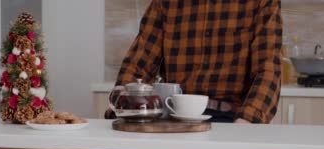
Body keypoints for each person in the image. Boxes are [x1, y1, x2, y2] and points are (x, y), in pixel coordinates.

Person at [115, 0, 282, 123]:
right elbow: (138, 63)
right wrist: (119, 108)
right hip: (174, 115)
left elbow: (268, 69)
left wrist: (247, 121)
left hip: (231, 119)